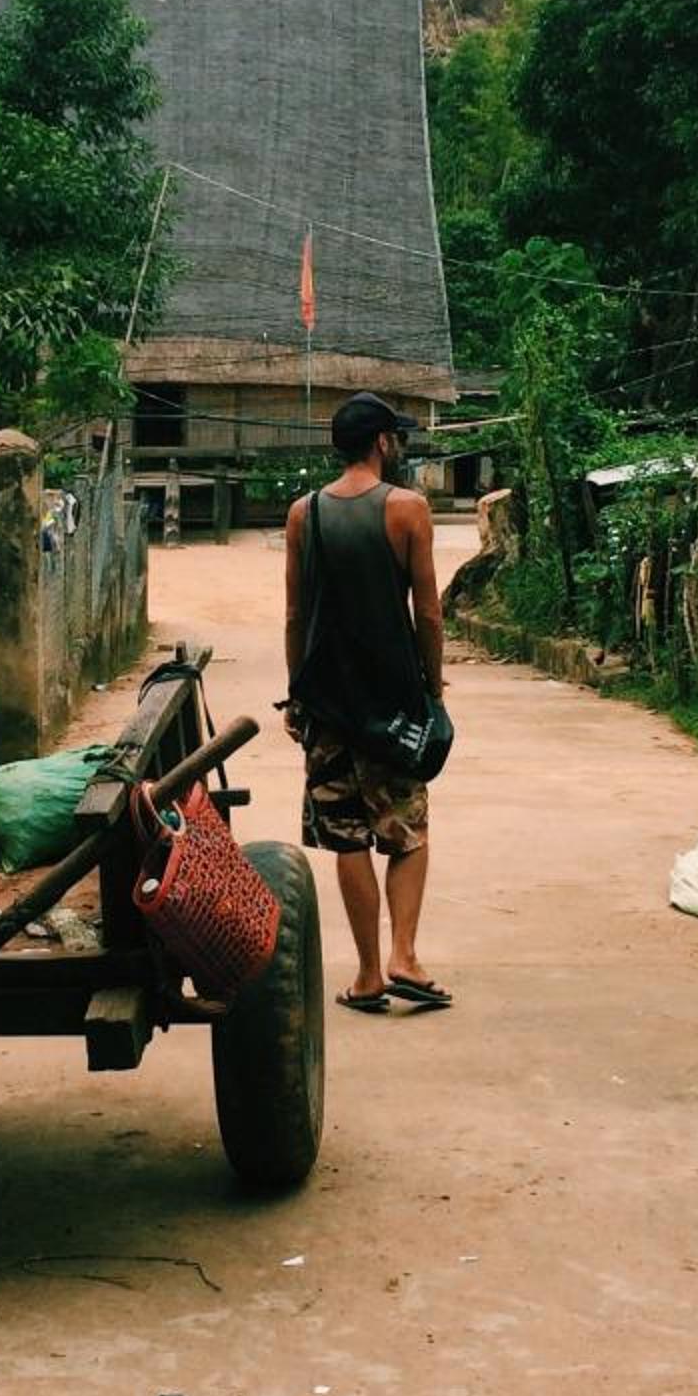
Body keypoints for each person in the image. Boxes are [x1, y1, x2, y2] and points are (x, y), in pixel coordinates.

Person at [281, 391, 451, 1013]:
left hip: (328, 703)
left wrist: (297, 694)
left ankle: (369, 975)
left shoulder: (304, 514)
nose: (398, 446)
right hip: (393, 702)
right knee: (406, 831)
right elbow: (428, 612)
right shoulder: (407, 509)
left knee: (347, 837)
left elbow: (295, 614)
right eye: (395, 437)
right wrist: (433, 688)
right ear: (382, 442)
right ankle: (406, 955)